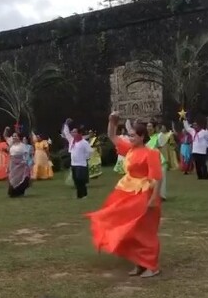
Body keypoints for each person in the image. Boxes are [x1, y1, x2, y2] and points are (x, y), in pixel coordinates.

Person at [86, 112, 162, 278]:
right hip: (127, 192)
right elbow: (112, 136)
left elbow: (157, 178)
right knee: (129, 230)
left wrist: (153, 199)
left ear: (142, 137)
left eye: (134, 136)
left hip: (144, 194)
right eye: (130, 135)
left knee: (144, 232)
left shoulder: (151, 153)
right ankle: (139, 264)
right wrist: (112, 121)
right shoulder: (129, 149)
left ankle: (151, 266)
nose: (130, 138)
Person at [62, 119, 92, 199]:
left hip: (81, 164)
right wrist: (66, 124)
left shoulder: (84, 142)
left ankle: (84, 194)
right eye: (72, 132)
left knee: (80, 180)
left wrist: (85, 157)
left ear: (79, 133)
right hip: (74, 164)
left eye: (75, 132)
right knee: (76, 180)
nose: (73, 133)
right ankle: (80, 195)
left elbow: (89, 151)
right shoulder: (72, 141)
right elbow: (66, 133)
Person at [6, 128, 31, 198]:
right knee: (12, 177)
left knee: (20, 178)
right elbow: (10, 155)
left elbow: (26, 154)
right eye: (13, 136)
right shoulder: (11, 145)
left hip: (21, 164)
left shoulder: (22, 146)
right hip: (13, 163)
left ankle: (20, 192)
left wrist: (25, 161)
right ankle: (12, 192)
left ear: (19, 137)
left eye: (15, 136)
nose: (14, 137)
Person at [146, 121, 168, 200]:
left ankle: (162, 196)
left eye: (150, 126)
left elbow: (162, 142)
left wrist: (160, 130)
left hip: (160, 161)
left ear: (154, 128)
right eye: (147, 126)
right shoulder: (146, 138)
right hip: (151, 162)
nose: (148, 128)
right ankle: (153, 195)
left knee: (161, 179)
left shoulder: (158, 136)